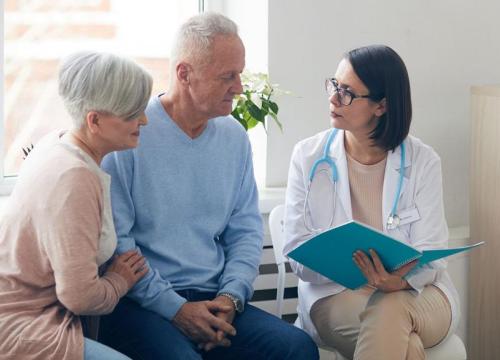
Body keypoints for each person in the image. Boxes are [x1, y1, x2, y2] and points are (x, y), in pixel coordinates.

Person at [98, 12, 319, 360]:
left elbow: (245, 231)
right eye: (227, 76)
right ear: (185, 74)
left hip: (216, 296)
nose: (240, 87)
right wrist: (175, 309)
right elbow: (119, 244)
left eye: (240, 74)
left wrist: (230, 298)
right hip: (142, 303)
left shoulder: (234, 138)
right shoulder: (130, 134)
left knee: (297, 348)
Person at [283, 44, 459, 360]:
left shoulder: (423, 161)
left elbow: (432, 254)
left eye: (347, 92)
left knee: (390, 307)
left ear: (381, 106)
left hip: (418, 294)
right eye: (334, 85)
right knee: (405, 345)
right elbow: (298, 252)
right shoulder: (307, 157)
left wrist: (398, 282)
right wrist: (359, 271)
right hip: (337, 296)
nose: (333, 98)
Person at [0, 51, 153, 360]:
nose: (144, 120)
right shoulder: (75, 177)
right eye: (131, 113)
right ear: (94, 120)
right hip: (21, 323)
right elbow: (80, 297)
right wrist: (119, 281)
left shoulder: (55, 142)